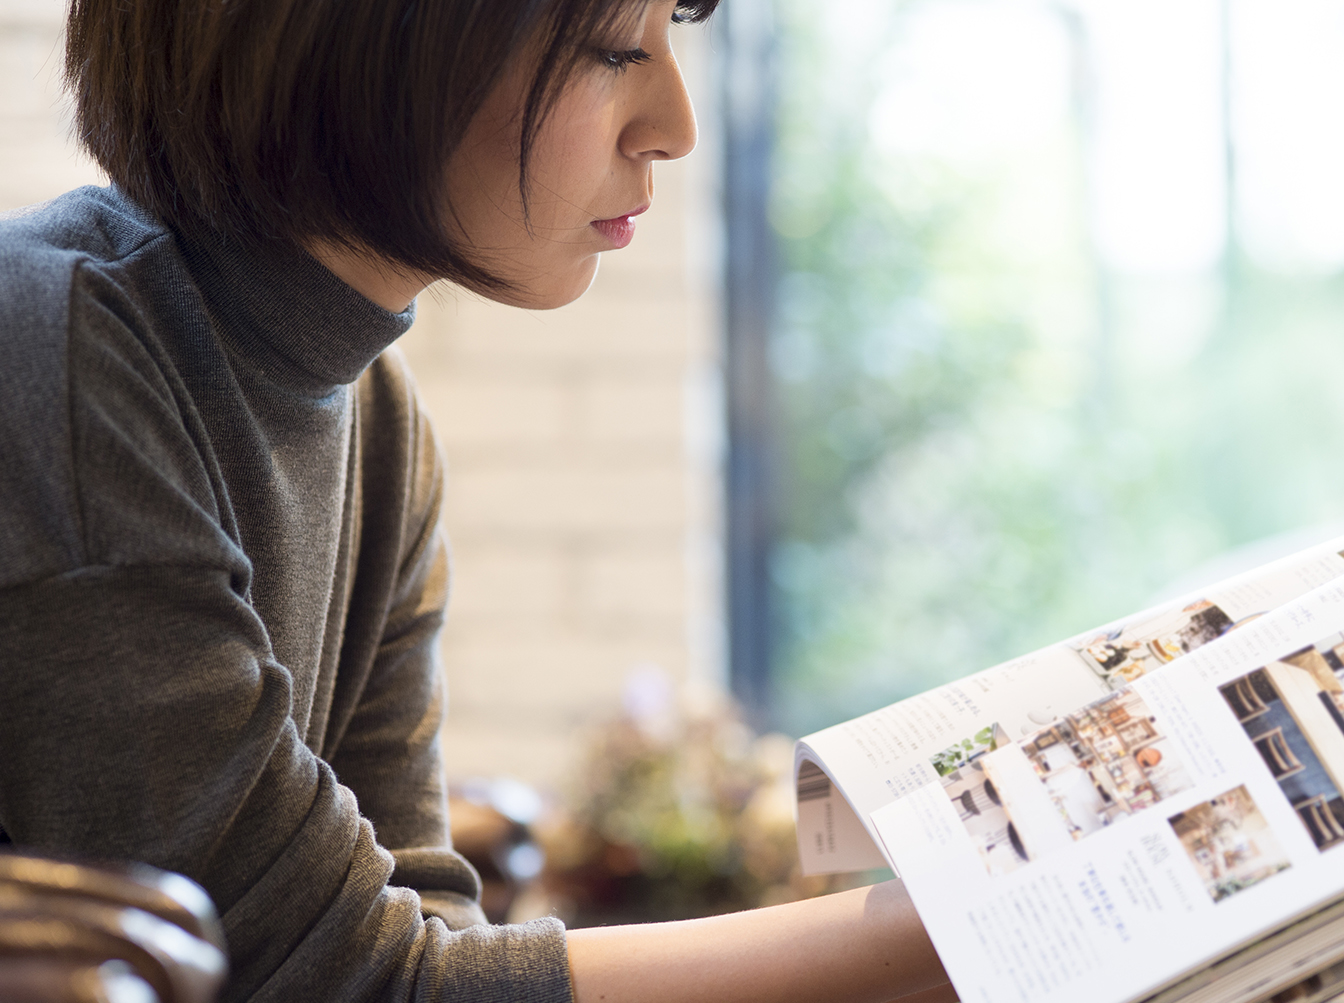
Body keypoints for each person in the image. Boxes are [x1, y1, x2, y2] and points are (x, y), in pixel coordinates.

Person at [0, 1, 954, 1000]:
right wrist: (938, 921)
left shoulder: (377, 416)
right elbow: (336, 982)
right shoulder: (59, 352)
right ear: (374, 40)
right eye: (615, 50)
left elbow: (417, 939)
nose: (674, 125)